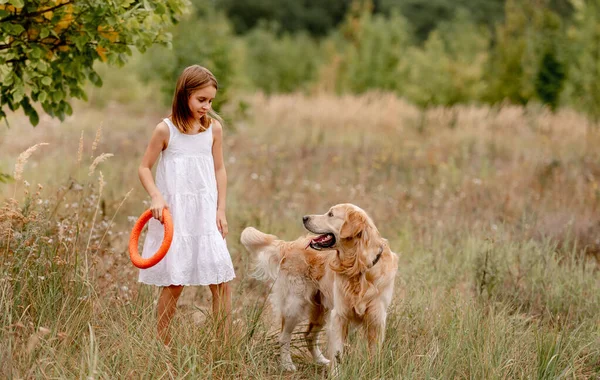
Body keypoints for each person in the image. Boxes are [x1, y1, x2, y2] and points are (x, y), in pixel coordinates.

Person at [137, 65, 235, 345]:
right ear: (184, 95)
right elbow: (144, 167)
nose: (207, 106)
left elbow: (219, 170)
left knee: (221, 281)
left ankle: (223, 344)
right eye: (201, 100)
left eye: (211, 101)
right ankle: (162, 343)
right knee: (175, 282)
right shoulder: (165, 130)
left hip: (206, 213)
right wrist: (156, 196)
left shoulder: (213, 129)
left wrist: (221, 209)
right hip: (177, 215)